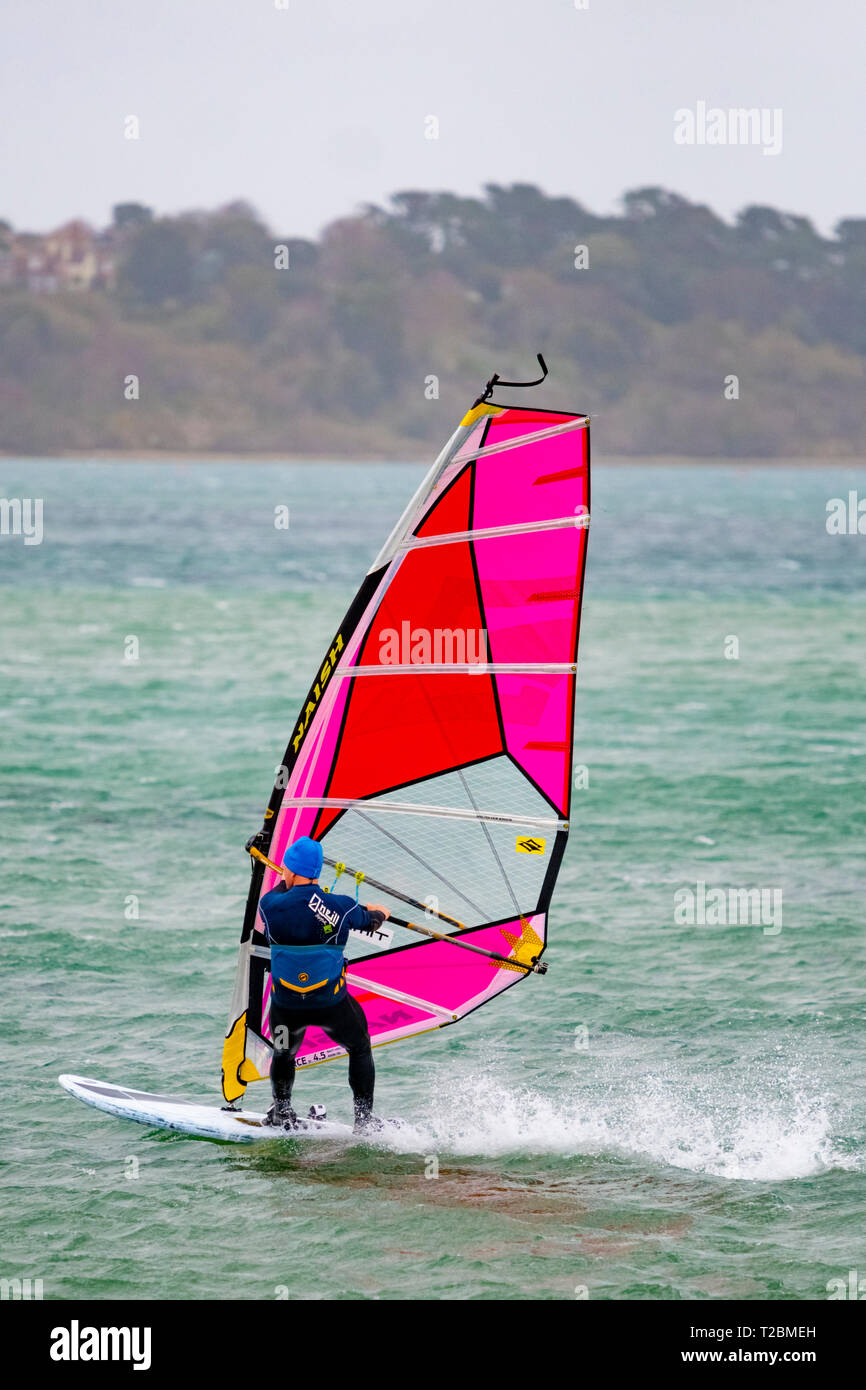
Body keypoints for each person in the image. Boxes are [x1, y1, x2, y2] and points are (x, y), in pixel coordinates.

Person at [256, 835, 390, 1134]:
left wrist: (286, 878)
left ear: (288, 870)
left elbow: (282, 894)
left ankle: (283, 1111)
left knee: (283, 1053)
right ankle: (364, 1119)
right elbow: (368, 921)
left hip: (286, 1007)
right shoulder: (340, 906)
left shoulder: (269, 905)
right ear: (317, 873)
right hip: (331, 1005)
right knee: (359, 1047)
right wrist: (381, 912)